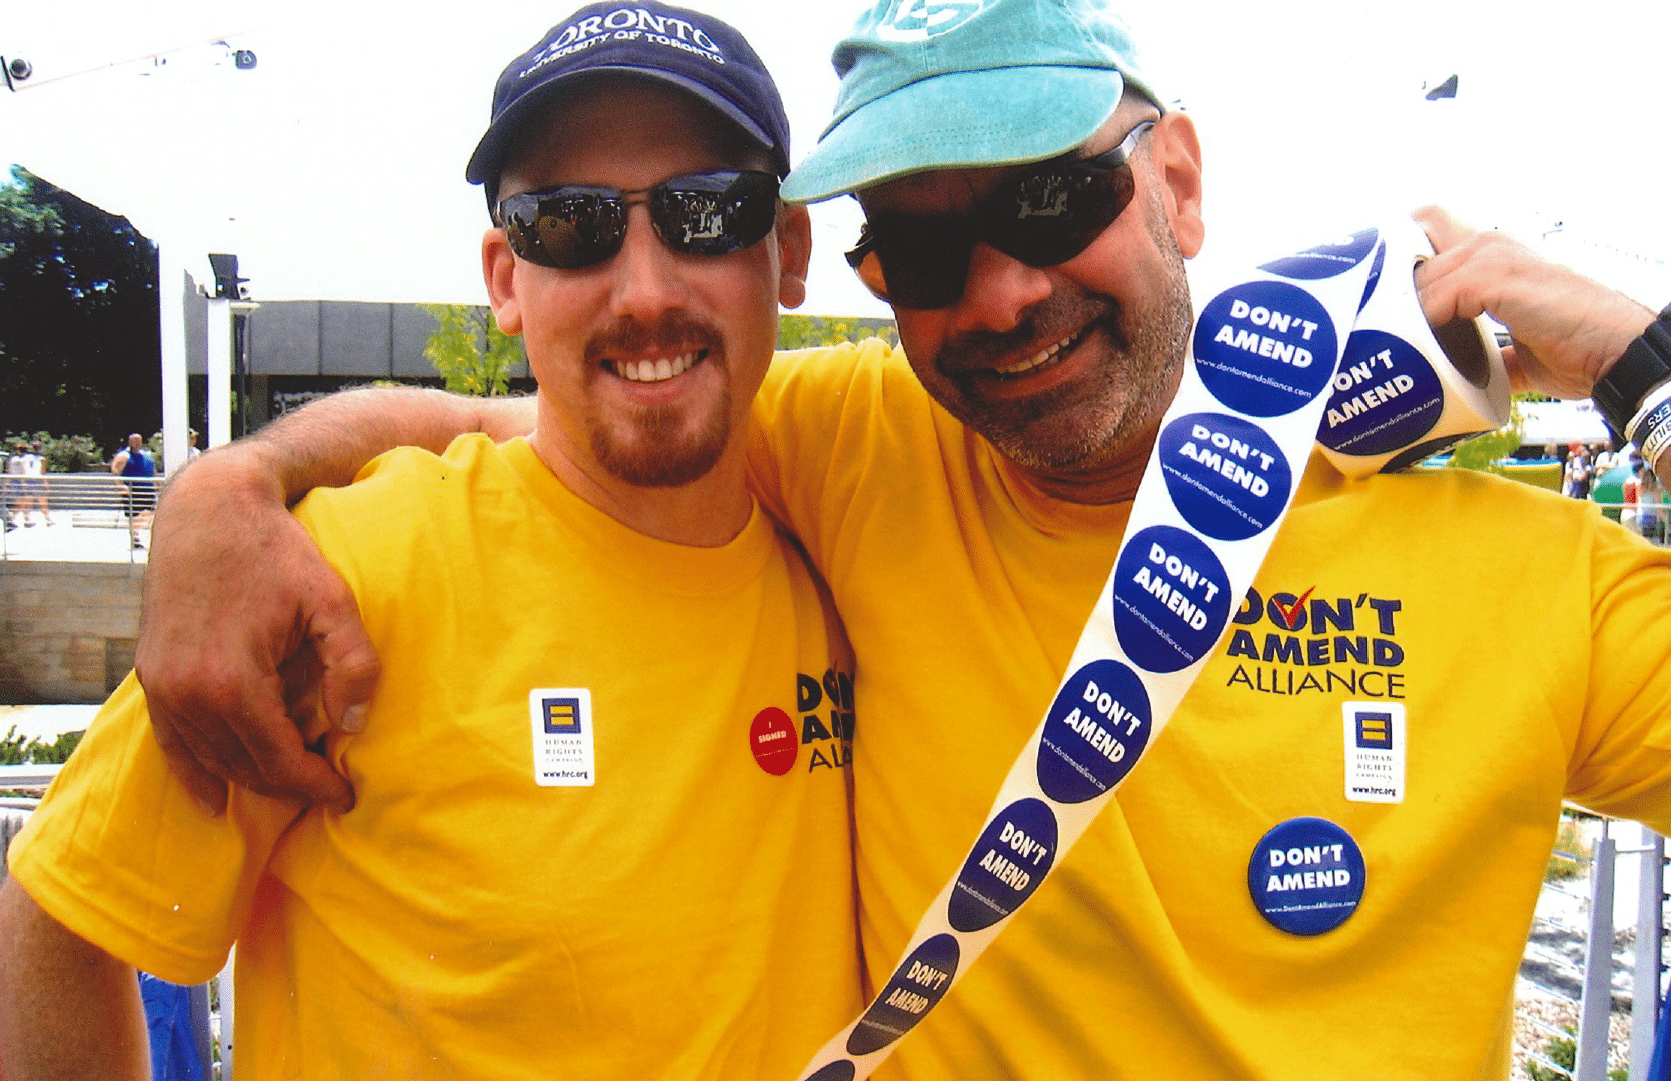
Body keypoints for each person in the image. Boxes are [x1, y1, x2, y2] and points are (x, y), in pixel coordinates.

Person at [116, 0, 1671, 1077]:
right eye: (924, 244)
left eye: (1053, 200)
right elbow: (550, 421)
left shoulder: (1515, 570)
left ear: (1177, 184)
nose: (996, 295)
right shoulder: (864, 440)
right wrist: (225, 493)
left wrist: (1634, 353)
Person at [0, 4, 862, 1078]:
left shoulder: (851, 544)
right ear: (506, 279)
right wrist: (236, 478)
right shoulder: (347, 575)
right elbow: (59, 918)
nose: (648, 291)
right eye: (571, 225)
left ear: (786, 251)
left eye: (707, 211)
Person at [111, 432, 157, 548]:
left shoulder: (146, 454)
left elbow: (152, 471)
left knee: (150, 512)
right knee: (134, 514)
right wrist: (121, 486)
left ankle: (135, 530)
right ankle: (135, 537)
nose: (137, 443)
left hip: (147, 490)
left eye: (139, 441)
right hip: (133, 490)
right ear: (129, 442)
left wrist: (157, 485)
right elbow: (115, 472)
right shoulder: (124, 455)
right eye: (135, 441)